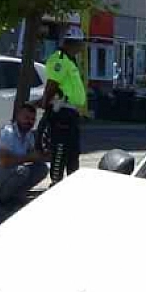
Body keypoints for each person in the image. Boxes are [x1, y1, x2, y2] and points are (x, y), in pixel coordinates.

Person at [41, 36, 89, 183]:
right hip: (62, 111)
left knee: (73, 152)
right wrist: (45, 104)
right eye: (81, 42)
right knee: (60, 150)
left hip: (70, 112)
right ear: (71, 43)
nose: (82, 46)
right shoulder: (60, 59)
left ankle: (71, 183)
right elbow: (52, 83)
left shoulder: (69, 60)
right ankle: (56, 183)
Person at [0, 103, 48, 205]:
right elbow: (5, 162)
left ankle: (15, 195)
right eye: (26, 118)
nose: (29, 122)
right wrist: (28, 157)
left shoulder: (29, 135)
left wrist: (47, 155)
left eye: (32, 119)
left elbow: (34, 156)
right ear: (18, 117)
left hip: (9, 175)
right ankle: (0, 200)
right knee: (22, 171)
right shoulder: (8, 132)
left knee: (42, 169)